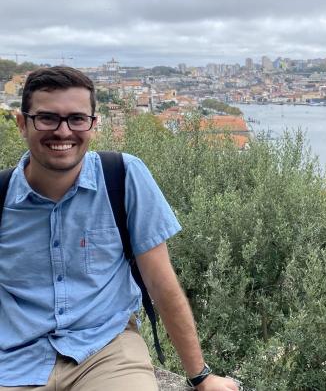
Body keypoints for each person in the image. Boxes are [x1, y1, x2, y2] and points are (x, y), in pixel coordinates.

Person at [0, 66, 239, 391]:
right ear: (21, 124)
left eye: (77, 118)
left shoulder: (123, 177)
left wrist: (200, 375)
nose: (63, 131)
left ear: (94, 125)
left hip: (105, 350)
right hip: (12, 355)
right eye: (47, 118)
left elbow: (160, 280)